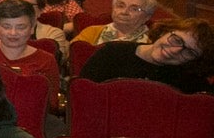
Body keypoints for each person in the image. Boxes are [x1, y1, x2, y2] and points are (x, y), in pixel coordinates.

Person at [78, 18, 214, 94]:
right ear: (164, 32)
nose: (175, 50)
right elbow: (82, 92)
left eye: (189, 52)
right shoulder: (112, 52)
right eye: (177, 40)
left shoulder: (190, 80)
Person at [0, 0, 59, 107]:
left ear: (32, 28)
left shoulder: (46, 60)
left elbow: (51, 103)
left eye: (21, 27)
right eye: (6, 26)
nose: (13, 33)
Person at [72, 0, 155, 45]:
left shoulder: (153, 41)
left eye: (134, 9)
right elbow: (73, 55)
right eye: (120, 6)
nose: (124, 12)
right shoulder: (92, 32)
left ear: (147, 17)